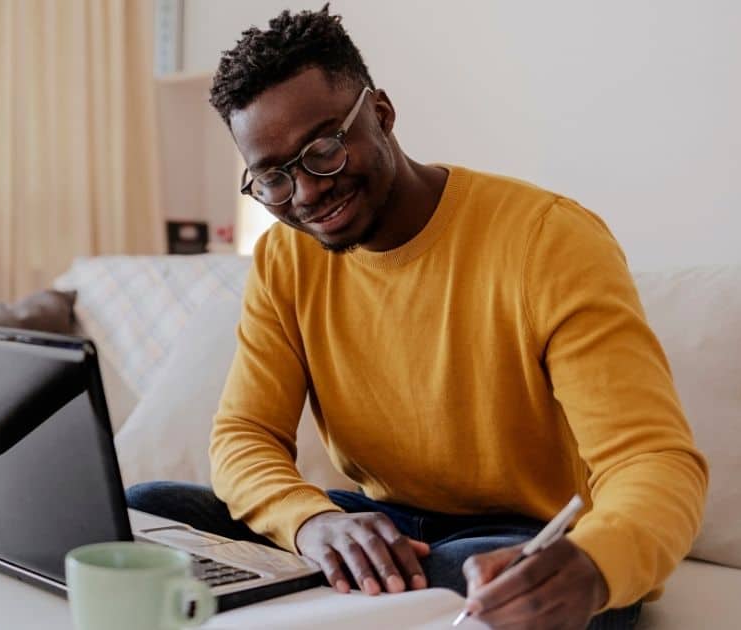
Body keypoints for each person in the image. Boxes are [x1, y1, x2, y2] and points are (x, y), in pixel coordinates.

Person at [126, 6, 707, 629]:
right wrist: (313, 523)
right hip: (388, 525)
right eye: (273, 177)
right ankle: (357, 594)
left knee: (477, 571)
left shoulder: (548, 239)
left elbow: (653, 462)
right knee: (144, 512)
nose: (306, 192)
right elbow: (244, 436)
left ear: (380, 114)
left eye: (322, 149)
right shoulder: (284, 258)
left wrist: (596, 566)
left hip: (525, 539)